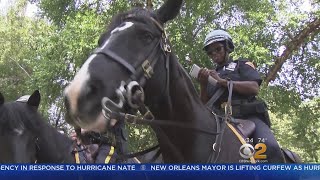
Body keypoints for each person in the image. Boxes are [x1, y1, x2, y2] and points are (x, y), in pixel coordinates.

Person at [197, 29, 284, 163]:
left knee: (270, 147)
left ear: (228, 47)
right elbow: (204, 106)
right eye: (210, 52)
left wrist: (223, 82)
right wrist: (203, 84)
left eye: (218, 49)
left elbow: (254, 88)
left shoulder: (241, 64)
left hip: (249, 117)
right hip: (220, 122)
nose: (214, 54)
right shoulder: (210, 74)